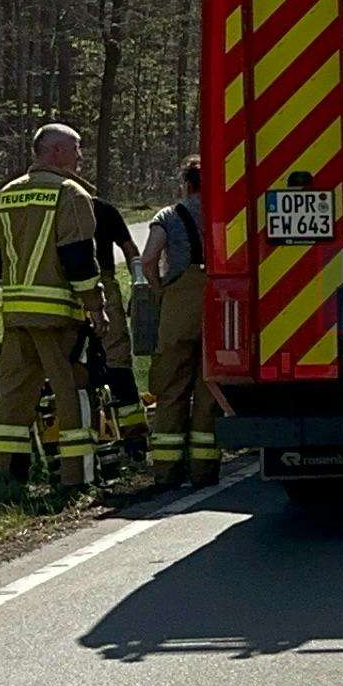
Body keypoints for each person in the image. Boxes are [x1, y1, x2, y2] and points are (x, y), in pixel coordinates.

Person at [0, 123, 109, 490]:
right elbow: (79, 260)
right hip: (58, 317)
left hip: (17, 314)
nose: (81, 156)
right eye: (76, 148)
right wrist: (96, 307)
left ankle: (3, 476)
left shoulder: (7, 194)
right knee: (70, 390)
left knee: (12, 394)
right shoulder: (70, 194)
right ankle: (77, 477)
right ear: (56, 151)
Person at [140, 155, 211, 484]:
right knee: (209, 387)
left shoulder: (168, 215)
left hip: (179, 304)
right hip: (220, 303)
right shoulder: (226, 212)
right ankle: (204, 470)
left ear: (186, 184)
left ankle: (167, 471)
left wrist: (160, 290)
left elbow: (149, 258)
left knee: (171, 387)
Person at [89, 194, 155, 467]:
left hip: (67, 289)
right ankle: (135, 443)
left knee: (78, 369)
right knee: (117, 361)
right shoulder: (103, 208)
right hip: (103, 288)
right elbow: (130, 250)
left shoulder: (58, 206)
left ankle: (93, 446)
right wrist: (139, 287)